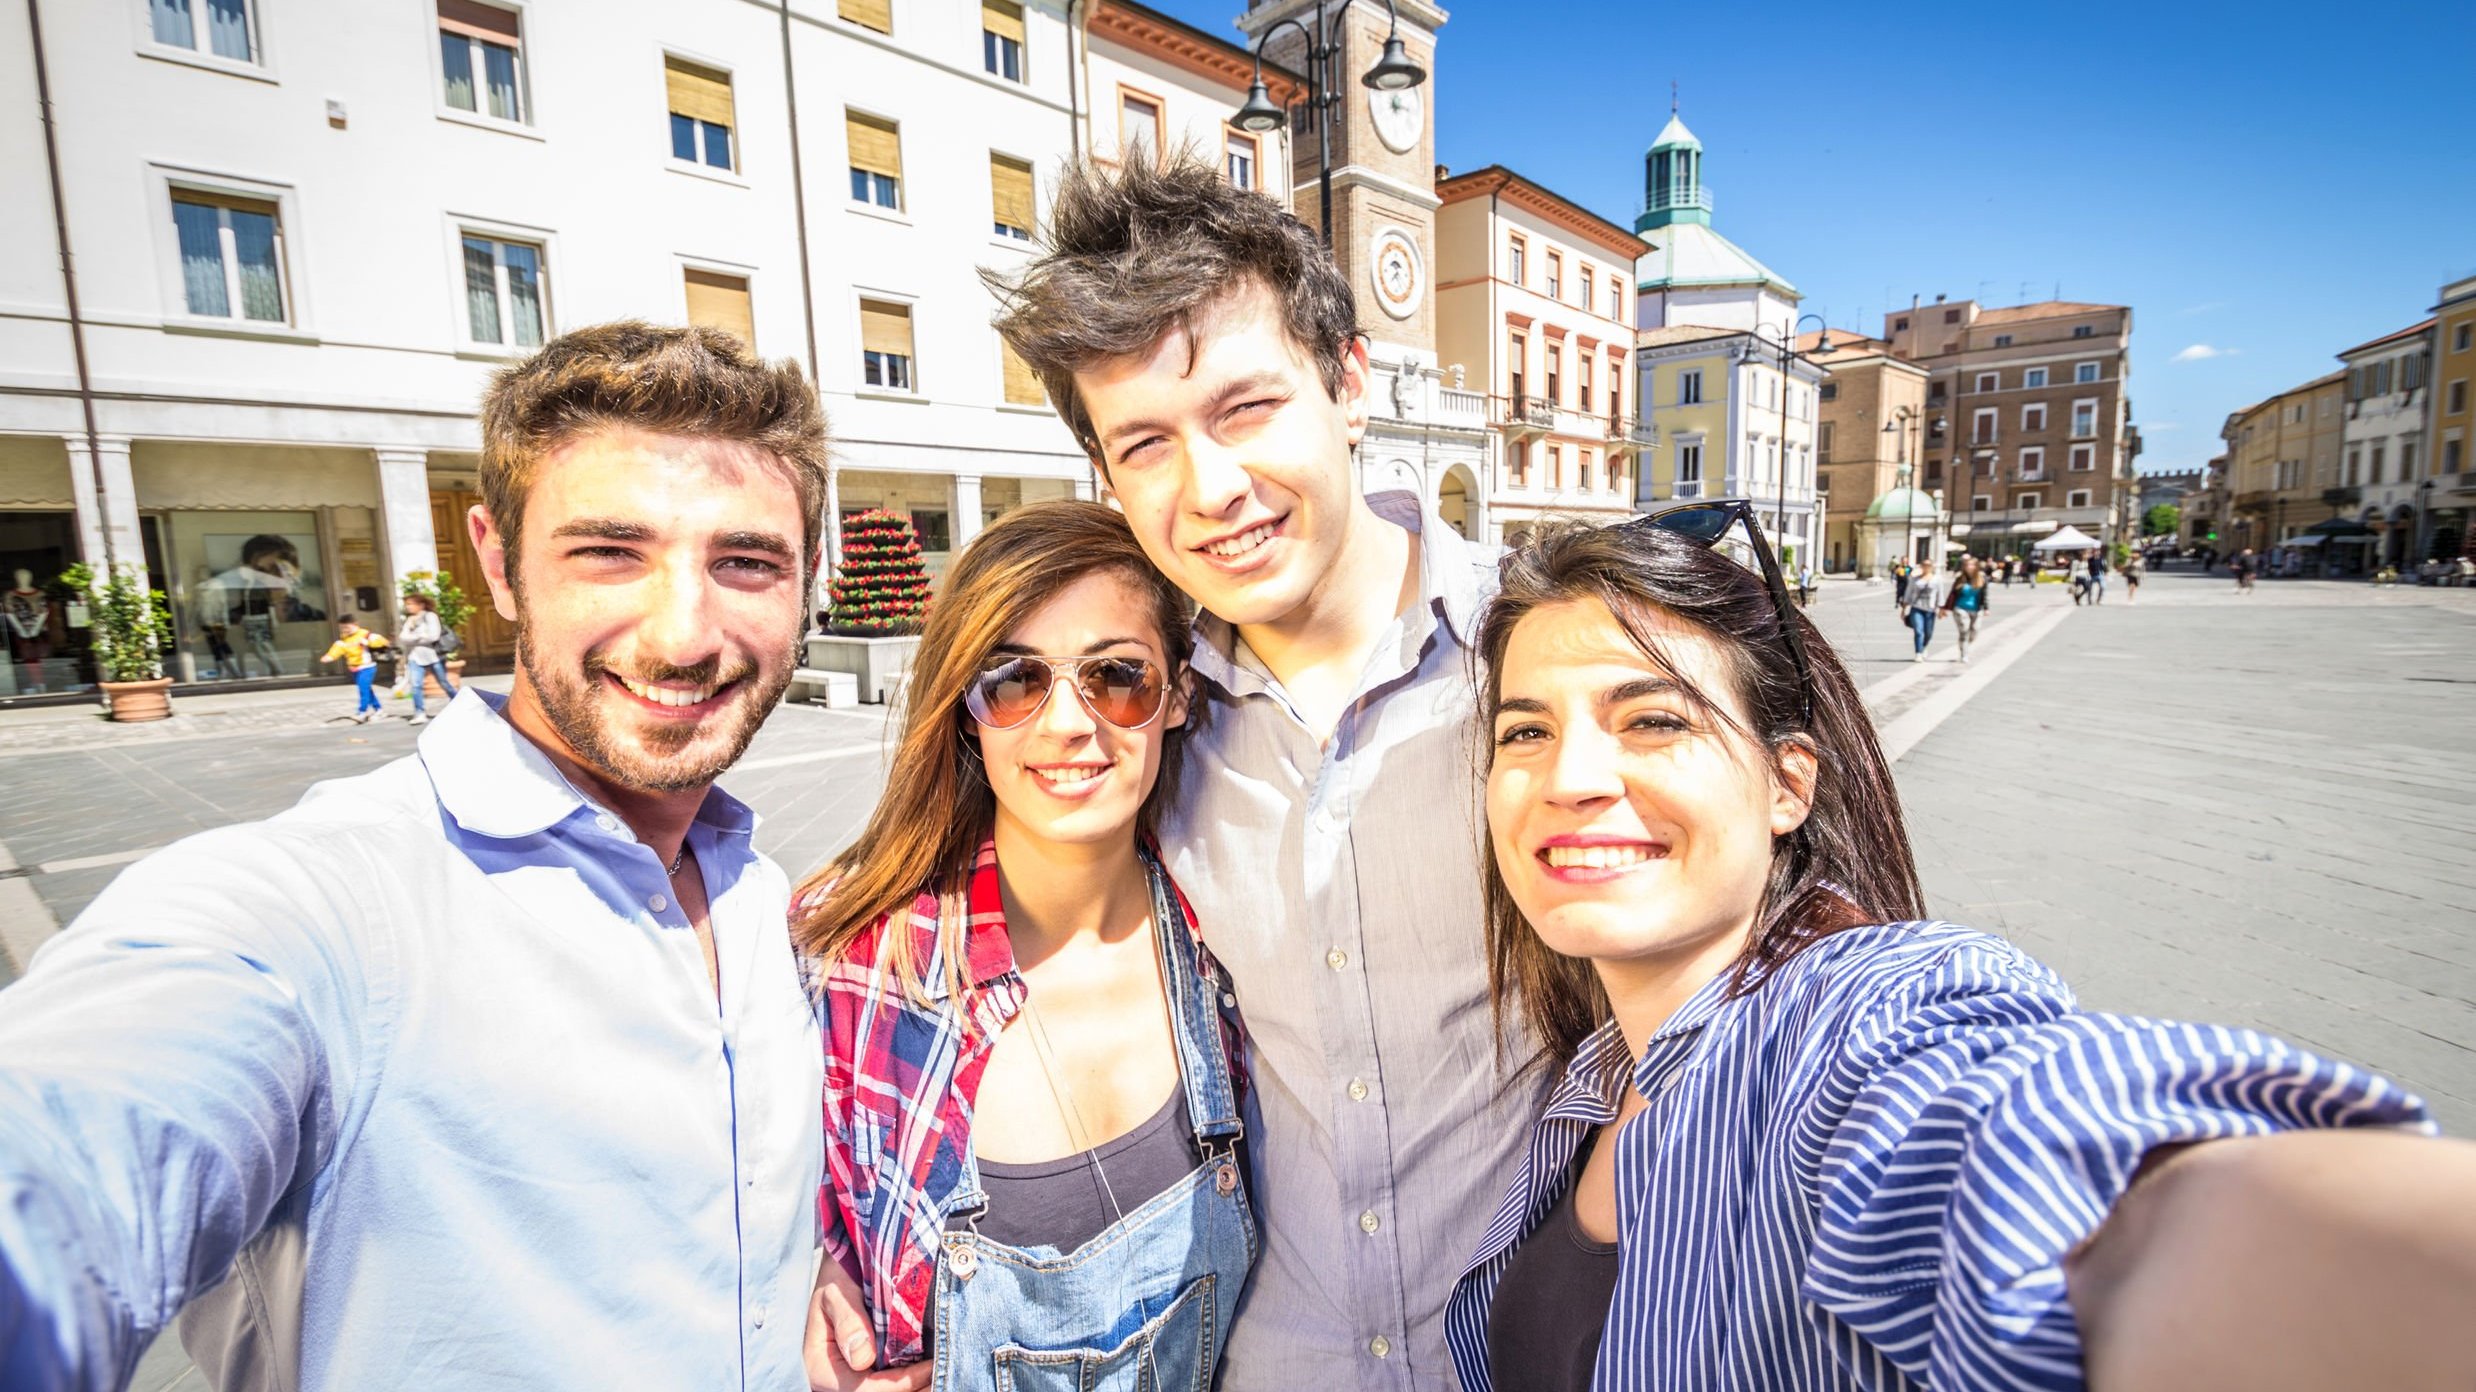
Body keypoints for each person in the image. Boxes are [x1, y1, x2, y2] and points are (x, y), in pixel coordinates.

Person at [1445, 514, 2476, 1392]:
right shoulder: (1588, 1080)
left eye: (1654, 718)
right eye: (1524, 733)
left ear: (1785, 785)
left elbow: (2034, 1149)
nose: (1569, 775)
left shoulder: (1865, 1023)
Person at [0, 322, 835, 1390]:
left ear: (805, 580)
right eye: (609, 552)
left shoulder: (766, 901)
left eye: (746, 562)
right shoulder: (318, 905)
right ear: (496, 561)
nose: (683, 634)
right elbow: (69, 1158)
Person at [983, 154, 1541, 1389]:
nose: (1210, 488)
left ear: (1346, 384)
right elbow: (962, 934)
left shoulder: (1546, 657)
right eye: (1145, 445)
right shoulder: (1136, 715)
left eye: (1244, 410)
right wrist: (831, 1240)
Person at [796, 502, 1251, 1392]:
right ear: (967, 708)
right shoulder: (852, 960)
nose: (1069, 724)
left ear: (1179, 695)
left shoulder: (1229, 947)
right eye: (1015, 679)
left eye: (1118, 676)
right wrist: (797, 1285)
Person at [396, 591, 459, 725]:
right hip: (415, 657)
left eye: (411, 604)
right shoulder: (409, 620)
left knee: (444, 683)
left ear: (421, 605)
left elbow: (433, 636)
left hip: (433, 656)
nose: (408, 607)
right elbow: (402, 637)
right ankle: (420, 713)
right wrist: (420, 637)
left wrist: (412, 639)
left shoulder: (430, 616)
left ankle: (460, 703)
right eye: (407, 604)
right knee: (416, 685)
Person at [317, 618, 391, 722]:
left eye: (347, 627)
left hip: (367, 667)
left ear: (355, 624)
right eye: (342, 628)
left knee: (363, 689)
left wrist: (367, 642)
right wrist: (330, 657)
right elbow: (337, 650)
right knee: (367, 690)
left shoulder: (366, 634)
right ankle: (379, 710)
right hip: (354, 669)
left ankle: (362, 712)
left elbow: (383, 642)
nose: (345, 629)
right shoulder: (344, 639)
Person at [1941, 553, 1989, 663]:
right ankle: (1964, 654)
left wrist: (1986, 608)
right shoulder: (1960, 579)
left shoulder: (1982, 579)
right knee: (1964, 630)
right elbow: (1952, 594)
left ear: (1976, 567)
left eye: (1972, 565)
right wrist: (1944, 608)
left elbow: (1985, 595)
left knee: (1975, 631)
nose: (1969, 567)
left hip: (1976, 609)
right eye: (1967, 565)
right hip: (1960, 608)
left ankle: (1964, 644)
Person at [1898, 556, 1941, 661]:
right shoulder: (1915, 579)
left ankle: (1924, 646)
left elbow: (1940, 595)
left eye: (1929, 565)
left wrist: (1940, 609)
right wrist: (1904, 609)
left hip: (1930, 609)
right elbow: (1908, 593)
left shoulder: (1937, 579)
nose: (1926, 567)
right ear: (1921, 566)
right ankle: (1918, 652)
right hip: (1916, 607)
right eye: (1924, 565)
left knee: (1928, 633)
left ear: (1932, 567)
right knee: (1918, 631)